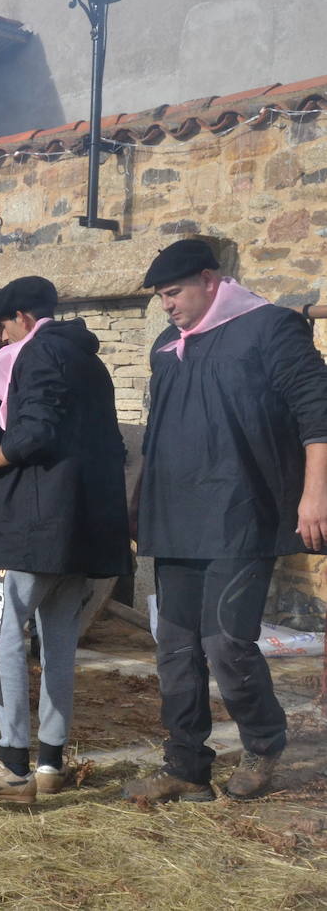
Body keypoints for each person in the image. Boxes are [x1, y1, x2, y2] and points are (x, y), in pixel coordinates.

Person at [121, 239, 327, 804]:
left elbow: (318, 411)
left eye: (173, 293)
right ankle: (186, 768)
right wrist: (141, 503)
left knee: (226, 644)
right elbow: (159, 430)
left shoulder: (270, 328)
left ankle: (263, 742)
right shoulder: (168, 346)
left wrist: (316, 495)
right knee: (175, 647)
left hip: (242, 513)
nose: (166, 306)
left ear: (210, 281)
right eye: (160, 296)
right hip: (175, 516)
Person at [0, 276, 130, 804]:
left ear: (24, 318)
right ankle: (50, 762)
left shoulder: (38, 354)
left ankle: (11, 763)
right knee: (58, 646)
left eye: (2, 323)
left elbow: (34, 433)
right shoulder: (89, 361)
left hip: (35, 524)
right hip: (80, 526)